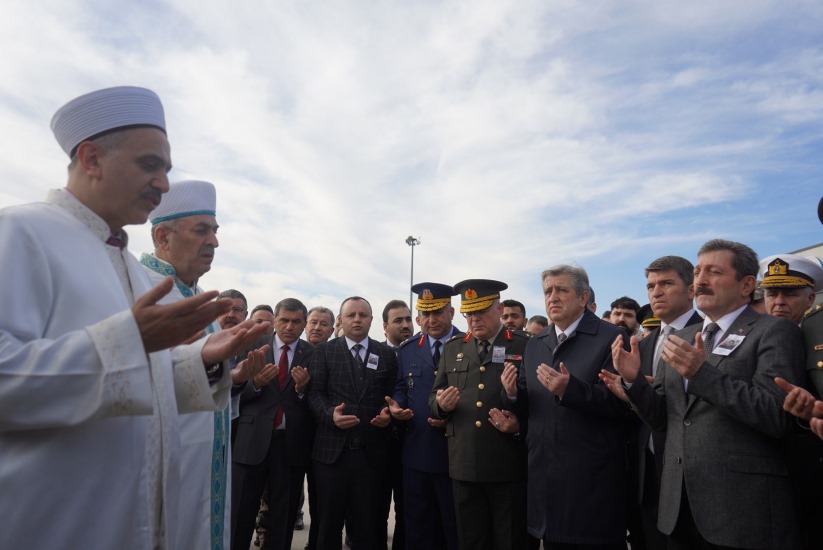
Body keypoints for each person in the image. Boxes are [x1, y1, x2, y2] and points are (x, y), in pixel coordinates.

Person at [0, 86, 266, 549]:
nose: (163, 184)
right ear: (91, 159)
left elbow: (146, 387)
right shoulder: (21, 233)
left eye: (165, 170)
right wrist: (130, 339)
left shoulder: (136, 273)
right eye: (150, 165)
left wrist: (203, 361)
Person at [612, 239, 805, 549]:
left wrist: (702, 375)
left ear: (746, 284)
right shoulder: (683, 337)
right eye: (698, 271)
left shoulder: (773, 331)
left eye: (714, 272)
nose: (700, 280)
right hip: (678, 507)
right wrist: (633, 381)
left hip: (742, 510)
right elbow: (663, 419)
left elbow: (775, 415)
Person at [140, 178, 259, 549]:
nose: (214, 242)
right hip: (161, 480)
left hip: (204, 476)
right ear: (162, 237)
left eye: (216, 231)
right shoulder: (138, 291)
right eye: (202, 230)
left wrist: (230, 375)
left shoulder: (202, 306)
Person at [501, 265, 629, 549]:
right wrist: (511, 394)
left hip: (590, 484)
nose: (553, 297)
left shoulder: (611, 338)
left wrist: (569, 390)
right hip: (545, 481)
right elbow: (528, 403)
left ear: (583, 298)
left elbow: (621, 405)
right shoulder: (536, 344)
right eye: (548, 291)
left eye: (561, 290)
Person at [603, 256, 702, 550]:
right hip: (647, 472)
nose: (656, 292)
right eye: (650, 286)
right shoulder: (642, 344)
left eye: (667, 283)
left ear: (691, 289)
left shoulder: (706, 335)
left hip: (692, 476)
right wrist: (630, 390)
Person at [429, 279, 529, 550]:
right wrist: (442, 405)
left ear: (498, 309)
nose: (474, 319)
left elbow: (540, 403)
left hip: (506, 462)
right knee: (471, 540)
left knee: (509, 540)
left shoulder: (523, 345)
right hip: (464, 463)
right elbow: (434, 395)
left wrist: (518, 412)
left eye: (481, 311)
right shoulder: (454, 348)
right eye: (469, 313)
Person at [308, 297, 399, 550]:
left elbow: (393, 394)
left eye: (363, 315)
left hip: (372, 456)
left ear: (371, 320)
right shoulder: (324, 352)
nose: (357, 319)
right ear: (340, 320)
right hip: (330, 455)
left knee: (368, 526)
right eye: (351, 315)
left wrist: (387, 414)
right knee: (327, 527)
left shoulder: (387, 355)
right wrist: (330, 415)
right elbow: (314, 394)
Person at [233, 298, 315, 550]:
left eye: (296, 321)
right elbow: (230, 391)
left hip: (289, 447)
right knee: (240, 514)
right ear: (275, 321)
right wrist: (253, 384)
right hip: (251, 443)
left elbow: (316, 401)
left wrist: (302, 390)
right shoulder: (252, 346)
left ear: (303, 324)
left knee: (283, 516)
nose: (289, 326)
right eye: (284, 320)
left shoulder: (314, 354)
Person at [388, 283, 461, 550]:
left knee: (453, 528)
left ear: (452, 312)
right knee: (418, 527)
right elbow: (400, 387)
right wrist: (396, 406)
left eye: (438, 312)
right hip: (417, 453)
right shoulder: (408, 349)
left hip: (457, 455)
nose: (432, 320)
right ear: (418, 318)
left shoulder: (469, 344)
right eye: (425, 314)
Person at [379, 300, 410, 549]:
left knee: (408, 510)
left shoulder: (419, 351)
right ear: (385, 327)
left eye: (408, 319)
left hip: (412, 444)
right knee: (375, 509)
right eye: (398, 320)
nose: (406, 325)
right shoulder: (374, 353)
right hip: (378, 443)